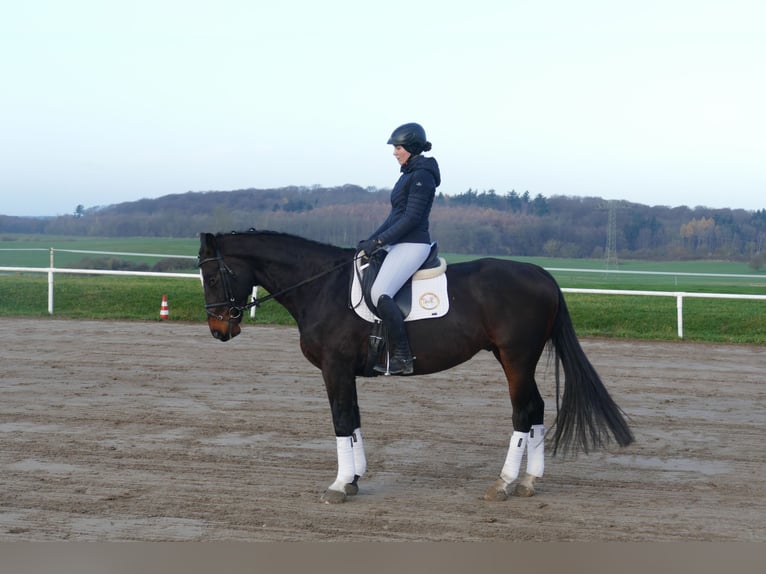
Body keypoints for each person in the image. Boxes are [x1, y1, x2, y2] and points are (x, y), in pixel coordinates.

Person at [358, 122, 441, 375]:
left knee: (380, 293)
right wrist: (370, 241)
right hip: (399, 243)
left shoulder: (422, 176)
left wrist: (380, 242)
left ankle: (403, 356)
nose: (395, 152)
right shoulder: (408, 174)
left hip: (413, 244)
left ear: (411, 148)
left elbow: (411, 219)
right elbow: (395, 216)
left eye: (398, 147)